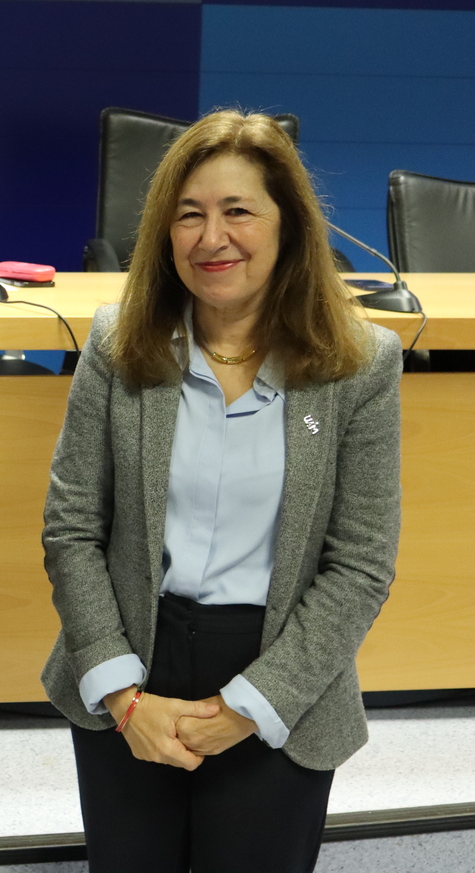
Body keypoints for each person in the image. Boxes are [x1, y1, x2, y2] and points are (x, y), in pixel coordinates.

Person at [40, 110, 402, 872]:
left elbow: (361, 564)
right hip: (133, 661)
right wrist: (121, 697)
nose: (212, 238)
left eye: (238, 211)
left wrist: (248, 707)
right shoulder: (117, 344)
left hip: (279, 674)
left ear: (289, 226)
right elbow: (71, 527)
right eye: (190, 215)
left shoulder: (360, 365)